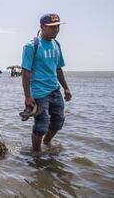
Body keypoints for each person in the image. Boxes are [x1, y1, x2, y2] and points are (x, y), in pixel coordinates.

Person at [21, 14, 72, 152]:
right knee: (42, 124)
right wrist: (27, 96)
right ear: (42, 27)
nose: (55, 30)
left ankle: (47, 143)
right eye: (51, 27)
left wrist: (66, 88)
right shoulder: (31, 46)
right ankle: (36, 153)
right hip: (39, 93)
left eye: (57, 26)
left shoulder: (56, 44)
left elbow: (58, 67)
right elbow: (25, 71)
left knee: (58, 122)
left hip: (55, 90)